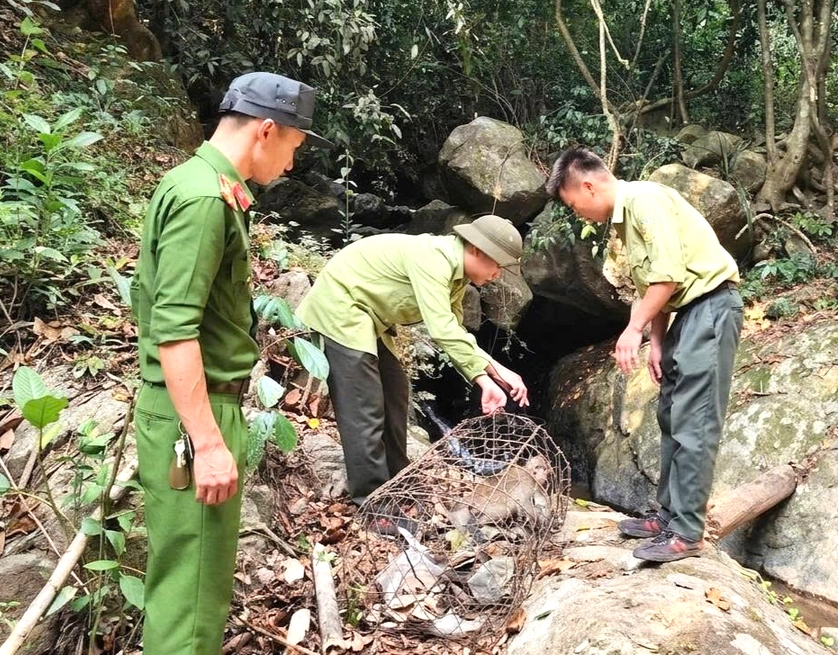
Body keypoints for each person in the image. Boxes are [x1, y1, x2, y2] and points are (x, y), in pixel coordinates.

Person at [130, 72, 332, 655]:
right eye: (294, 146)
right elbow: (173, 331)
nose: (292, 164)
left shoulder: (204, 184)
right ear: (267, 130)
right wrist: (208, 441)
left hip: (195, 409)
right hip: (195, 416)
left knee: (191, 584)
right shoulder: (203, 200)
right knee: (190, 597)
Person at [546, 147, 743, 562]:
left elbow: (667, 276)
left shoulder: (643, 200)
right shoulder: (625, 219)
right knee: (671, 415)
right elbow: (652, 285)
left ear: (587, 184)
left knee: (695, 421)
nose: (576, 212)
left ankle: (687, 532)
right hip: (685, 316)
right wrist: (656, 341)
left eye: (572, 203)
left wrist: (633, 329)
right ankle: (668, 517)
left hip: (710, 308)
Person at [295, 214, 531, 507]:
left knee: (395, 393)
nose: (497, 273)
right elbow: (442, 329)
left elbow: (455, 333)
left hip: (371, 320)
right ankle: (373, 502)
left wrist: (498, 372)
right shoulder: (434, 260)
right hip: (341, 309)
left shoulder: (457, 275)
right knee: (365, 407)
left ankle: (398, 481)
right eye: (497, 263)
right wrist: (484, 379)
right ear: (476, 249)